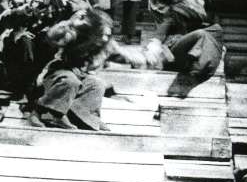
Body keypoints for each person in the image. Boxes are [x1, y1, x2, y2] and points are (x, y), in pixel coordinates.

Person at [28, 8, 156, 130]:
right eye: (102, 34)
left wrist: (145, 58)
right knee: (71, 81)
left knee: (97, 84)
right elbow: (52, 37)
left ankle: (83, 117)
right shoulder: (74, 36)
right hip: (57, 75)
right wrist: (70, 22)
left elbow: (125, 55)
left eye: (108, 35)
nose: (104, 38)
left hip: (80, 76)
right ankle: (45, 113)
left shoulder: (107, 45)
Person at [0, 0, 74, 102]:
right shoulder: (22, 5)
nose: (43, 10)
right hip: (16, 42)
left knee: (48, 49)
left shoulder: (54, 8)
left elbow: (65, 17)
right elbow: (5, 19)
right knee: (25, 46)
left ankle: (31, 89)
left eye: (44, 5)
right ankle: (19, 87)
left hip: (39, 41)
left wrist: (64, 4)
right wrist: (27, 9)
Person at [144, 0, 223, 81]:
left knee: (216, 29)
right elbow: (161, 32)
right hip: (171, 56)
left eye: (201, 3)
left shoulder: (199, 21)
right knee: (201, 34)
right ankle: (196, 67)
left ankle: (200, 66)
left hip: (187, 58)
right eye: (197, 1)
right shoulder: (174, 13)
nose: (200, 5)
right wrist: (154, 47)